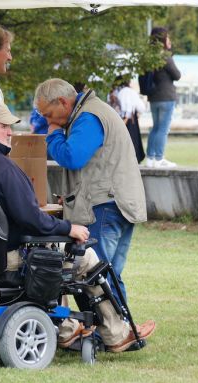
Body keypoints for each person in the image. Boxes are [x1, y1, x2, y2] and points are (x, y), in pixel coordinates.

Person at [0, 100, 156, 352]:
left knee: (51, 252)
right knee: (86, 257)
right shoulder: (3, 168)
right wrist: (69, 228)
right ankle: (115, 333)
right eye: (4, 126)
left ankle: (69, 329)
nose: (10, 132)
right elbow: (32, 219)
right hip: (9, 258)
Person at [34, 78, 147, 308]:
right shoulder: (93, 112)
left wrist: (54, 134)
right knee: (109, 275)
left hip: (104, 207)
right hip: (118, 203)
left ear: (63, 102)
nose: (47, 120)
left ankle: (105, 332)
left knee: (94, 274)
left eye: (48, 114)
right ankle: (120, 331)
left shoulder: (88, 117)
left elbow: (71, 157)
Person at [145, 27, 181, 168]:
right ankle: (159, 158)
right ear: (163, 39)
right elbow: (177, 75)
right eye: (167, 37)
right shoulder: (165, 56)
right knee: (163, 129)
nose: (169, 40)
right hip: (166, 97)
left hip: (153, 97)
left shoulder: (149, 57)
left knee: (155, 128)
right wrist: (169, 53)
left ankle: (150, 158)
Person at [115, 79, 146, 164]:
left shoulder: (118, 92)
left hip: (122, 118)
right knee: (133, 140)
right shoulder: (131, 91)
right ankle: (134, 160)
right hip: (130, 119)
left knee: (123, 140)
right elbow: (141, 107)